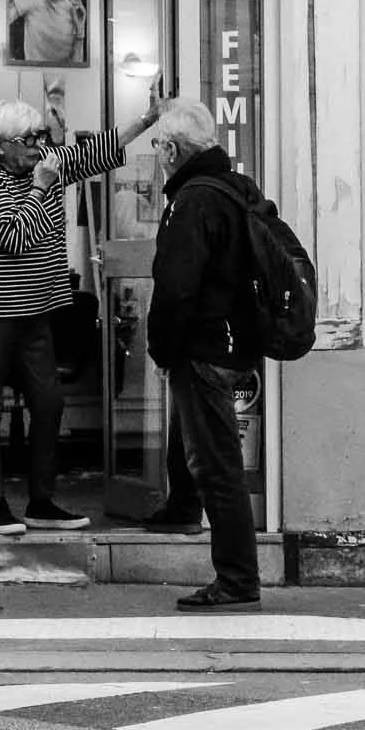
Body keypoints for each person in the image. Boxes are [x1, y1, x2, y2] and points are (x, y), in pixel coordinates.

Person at [0, 96, 148, 536]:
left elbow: (93, 153)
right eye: (28, 139)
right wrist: (41, 187)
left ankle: (41, 501)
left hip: (33, 307)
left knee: (49, 401)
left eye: (41, 136)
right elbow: (17, 237)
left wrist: (147, 119)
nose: (39, 145)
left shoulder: (41, 163)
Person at [142, 96, 263, 609]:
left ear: (170, 148)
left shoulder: (192, 201)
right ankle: (186, 513)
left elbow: (177, 289)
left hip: (204, 348)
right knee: (211, 457)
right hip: (232, 343)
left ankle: (236, 580)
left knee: (216, 465)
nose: (157, 154)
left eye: (157, 146)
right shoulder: (234, 189)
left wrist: (161, 349)